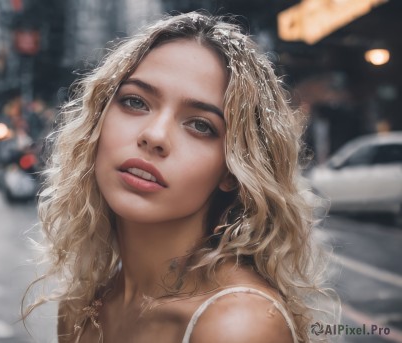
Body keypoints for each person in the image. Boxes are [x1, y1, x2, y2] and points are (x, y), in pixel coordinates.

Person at [23, 12, 338, 343]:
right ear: (97, 123)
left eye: (200, 125)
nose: (155, 136)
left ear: (231, 170)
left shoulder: (237, 326)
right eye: (135, 102)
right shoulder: (81, 308)